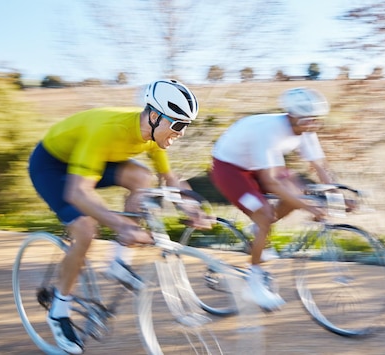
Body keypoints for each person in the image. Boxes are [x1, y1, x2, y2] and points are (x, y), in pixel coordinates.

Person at [28, 79, 212, 354]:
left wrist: (193, 209)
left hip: (90, 158)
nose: (182, 132)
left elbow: (169, 179)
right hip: (51, 167)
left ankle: (117, 263)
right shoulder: (108, 131)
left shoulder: (152, 136)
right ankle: (58, 311)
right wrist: (121, 224)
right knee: (86, 229)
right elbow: (78, 193)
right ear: (153, 116)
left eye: (186, 125)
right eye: (178, 124)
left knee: (143, 177)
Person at [209, 87, 335, 311]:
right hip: (230, 169)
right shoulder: (268, 131)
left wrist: (337, 196)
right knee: (265, 215)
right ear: (291, 116)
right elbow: (271, 183)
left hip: (259, 165)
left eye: (316, 121)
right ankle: (253, 282)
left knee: (300, 191)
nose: (311, 126)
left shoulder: (306, 129)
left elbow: (320, 167)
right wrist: (310, 208)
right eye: (306, 121)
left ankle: (257, 231)